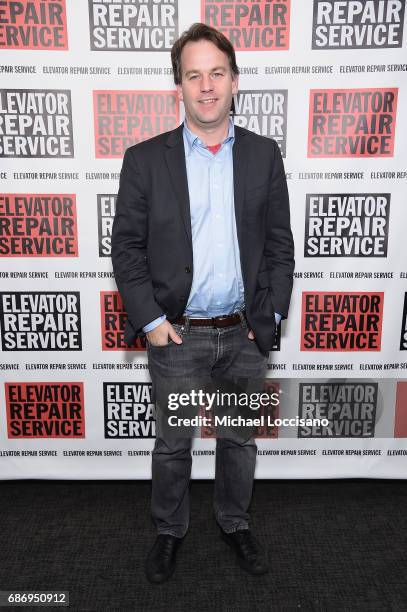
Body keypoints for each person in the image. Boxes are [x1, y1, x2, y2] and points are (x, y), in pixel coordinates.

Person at [111, 22, 295, 584]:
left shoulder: (264, 155)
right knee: (173, 444)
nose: (206, 86)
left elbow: (281, 245)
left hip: (243, 333)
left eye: (217, 73)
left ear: (234, 81)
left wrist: (269, 317)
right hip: (178, 335)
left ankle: (235, 522)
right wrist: (152, 322)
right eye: (194, 75)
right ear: (179, 87)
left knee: (239, 439)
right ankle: (169, 532)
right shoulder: (144, 160)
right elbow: (127, 249)